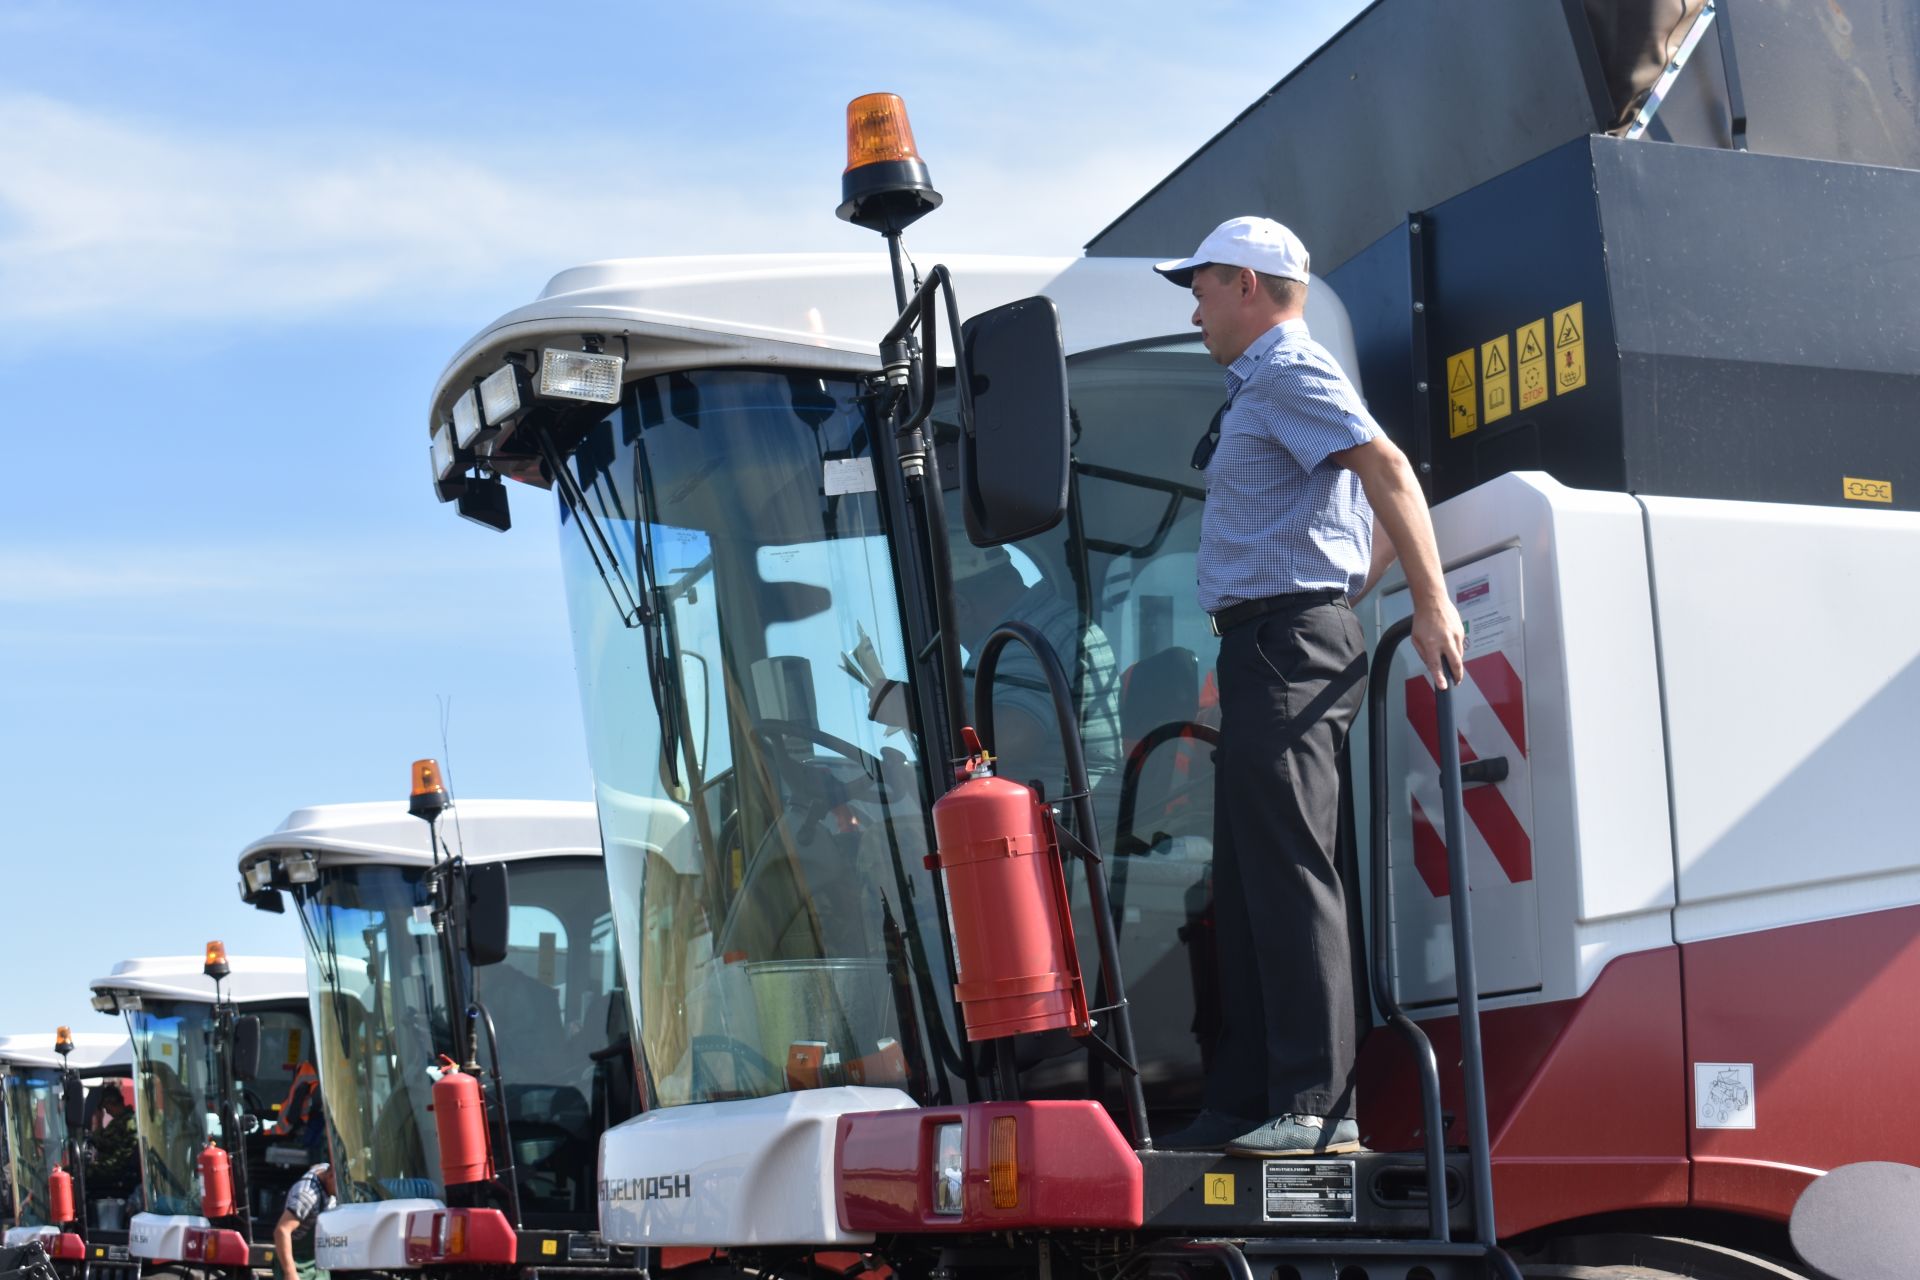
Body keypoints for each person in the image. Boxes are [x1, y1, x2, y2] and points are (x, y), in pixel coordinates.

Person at [1152, 216, 1465, 1157]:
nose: (1195, 304)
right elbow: (1358, 505)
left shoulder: (1290, 368)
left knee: (1290, 872)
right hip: (1272, 644)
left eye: (1201, 285)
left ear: (1248, 283)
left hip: (1286, 645)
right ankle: (1249, 1097)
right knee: (1247, 884)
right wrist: (1346, 588)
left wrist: (1428, 600)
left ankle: (1317, 1108)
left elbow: (1389, 470)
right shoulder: (1269, 380)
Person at [948, 542, 1122, 803]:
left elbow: (1017, 735)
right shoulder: (1044, 621)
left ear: (960, 606)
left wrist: (916, 712)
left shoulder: (1019, 636)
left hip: (1063, 828)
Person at [274, 1161, 336, 1280]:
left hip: (316, 1259)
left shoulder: (325, 1169)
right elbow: (282, 1231)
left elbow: (317, 1166)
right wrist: (290, 1273)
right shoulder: (307, 1196)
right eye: (339, 1185)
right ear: (330, 1177)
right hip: (296, 1260)